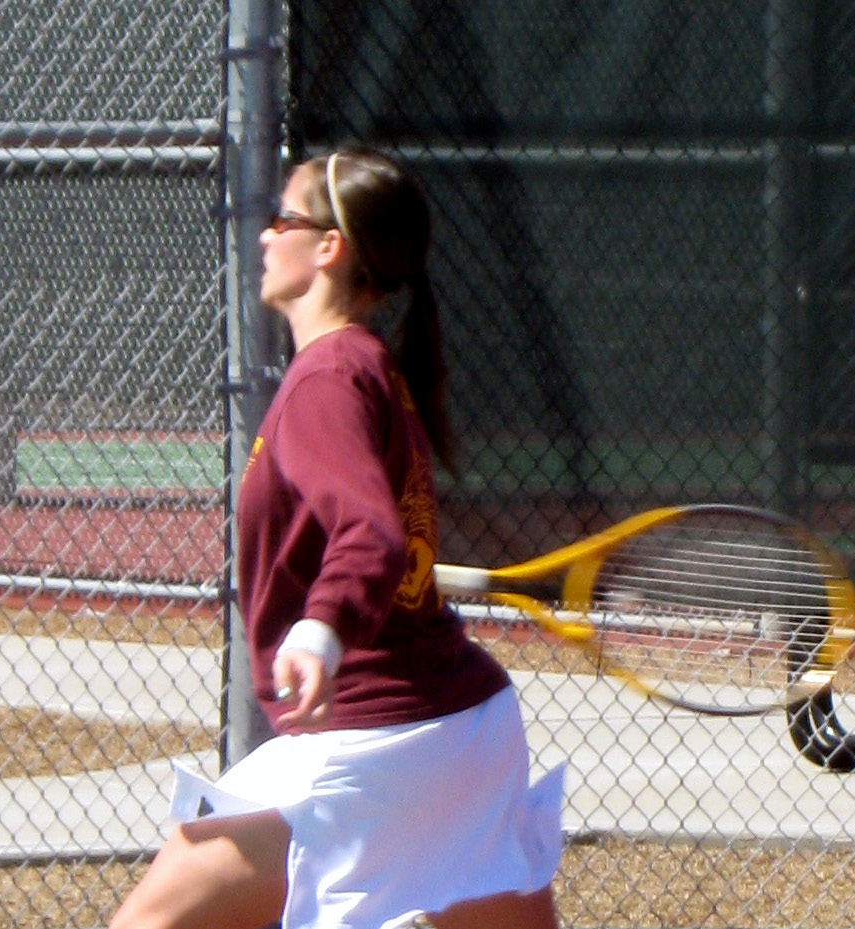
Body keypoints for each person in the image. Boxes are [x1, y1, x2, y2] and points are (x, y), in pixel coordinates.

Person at [108, 150, 564, 929]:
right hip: (464, 728)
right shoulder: (364, 367)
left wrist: (321, 628)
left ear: (329, 246)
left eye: (282, 218)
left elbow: (370, 532)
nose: (264, 235)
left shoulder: (328, 378)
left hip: (383, 742)